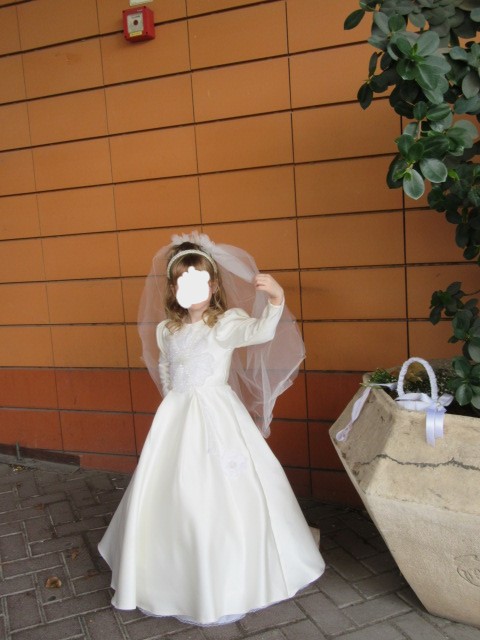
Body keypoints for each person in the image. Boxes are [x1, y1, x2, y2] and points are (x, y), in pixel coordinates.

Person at [98, 231, 325, 626]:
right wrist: (173, 400)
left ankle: (236, 570)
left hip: (218, 414)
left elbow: (260, 332)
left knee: (223, 488)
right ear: (173, 288)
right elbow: (167, 367)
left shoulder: (225, 324)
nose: (192, 290)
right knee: (173, 487)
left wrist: (276, 299)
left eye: (200, 281)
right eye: (182, 282)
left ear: (214, 285)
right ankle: (165, 571)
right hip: (177, 414)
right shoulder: (167, 330)